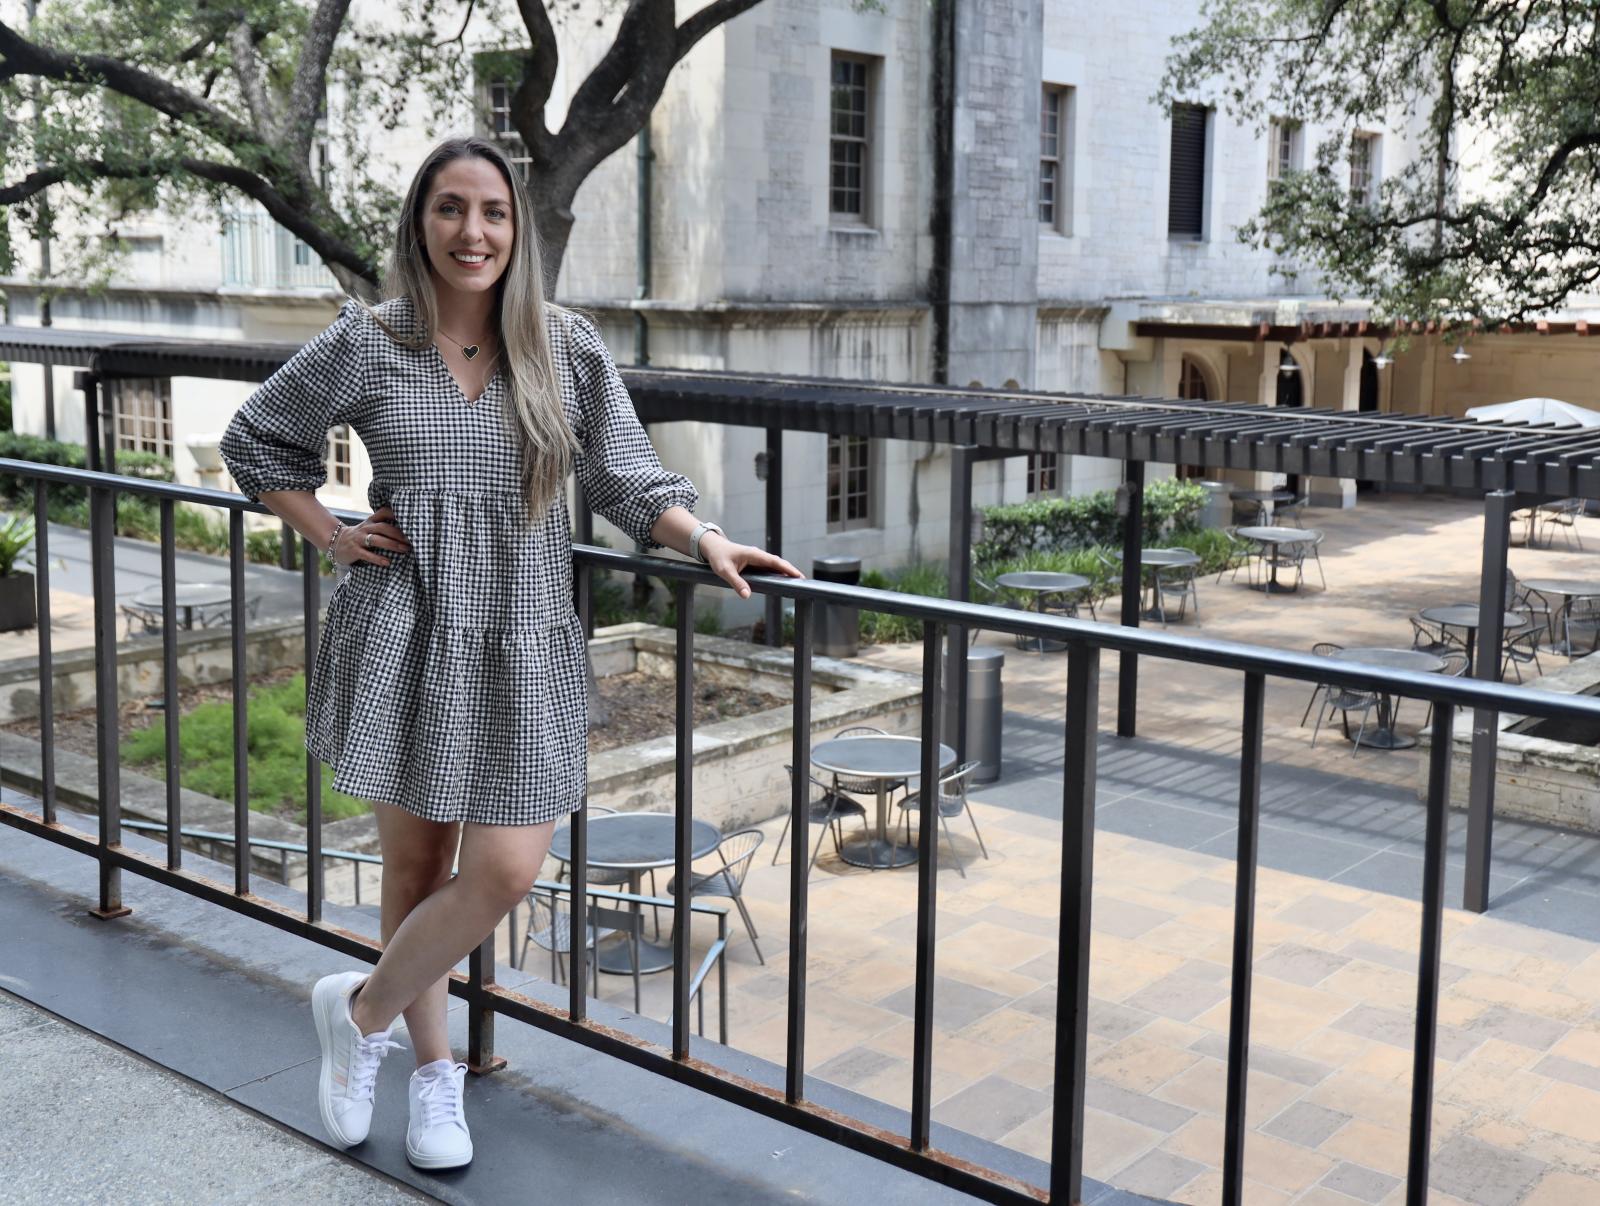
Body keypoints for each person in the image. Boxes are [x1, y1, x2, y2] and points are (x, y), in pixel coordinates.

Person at [219, 135, 800, 1170]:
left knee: (504, 869)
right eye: (450, 208)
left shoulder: (562, 346)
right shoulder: (369, 340)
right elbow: (258, 439)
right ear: (421, 222)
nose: (472, 231)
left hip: (525, 637)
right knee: (415, 867)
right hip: (407, 629)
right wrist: (331, 534)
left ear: (518, 228)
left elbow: (626, 477)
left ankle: (358, 1014)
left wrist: (705, 540)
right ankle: (433, 1078)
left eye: (492, 212)